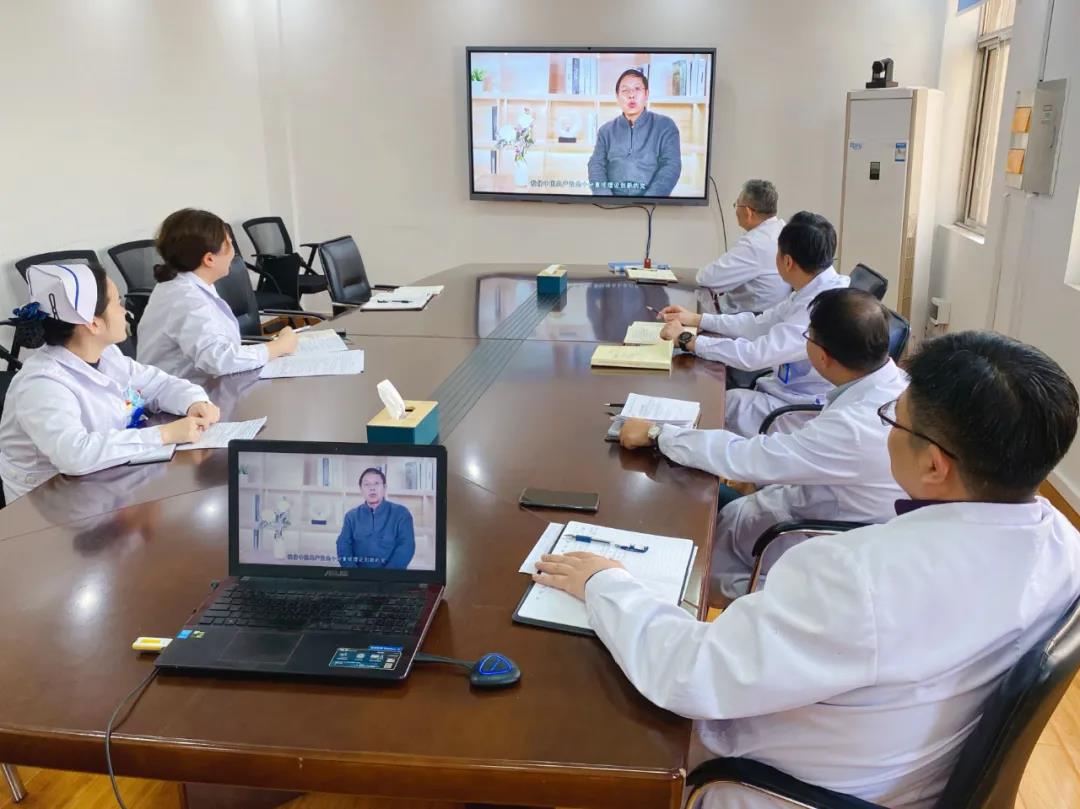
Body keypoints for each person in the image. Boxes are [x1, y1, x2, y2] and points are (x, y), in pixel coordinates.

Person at [535, 330, 1080, 808]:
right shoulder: (1065, 546)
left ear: (935, 466)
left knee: (569, 693)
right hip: (896, 768)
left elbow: (689, 675)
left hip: (787, 788)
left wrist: (605, 582)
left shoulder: (859, 576)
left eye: (894, 418)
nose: (887, 428)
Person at [620, 288, 907, 601]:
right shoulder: (894, 386)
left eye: (808, 336)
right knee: (691, 484)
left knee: (679, 556)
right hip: (803, 508)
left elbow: (747, 458)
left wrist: (657, 434)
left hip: (798, 541)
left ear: (822, 356)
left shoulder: (854, 427)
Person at [0, 263, 219, 503]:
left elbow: (158, 383)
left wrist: (194, 402)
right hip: (49, 504)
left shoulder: (106, 354)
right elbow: (75, 455)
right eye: (117, 303)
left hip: (105, 482)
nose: (125, 311)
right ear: (93, 323)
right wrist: (165, 434)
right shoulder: (41, 384)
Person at [658, 211, 849, 437]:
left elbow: (753, 356)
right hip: (784, 390)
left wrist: (687, 339)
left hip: (800, 410)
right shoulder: (816, 289)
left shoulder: (819, 309)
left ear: (787, 261)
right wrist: (699, 320)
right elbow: (759, 324)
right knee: (717, 398)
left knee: (714, 405)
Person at [137, 208, 299, 382]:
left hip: (200, 387)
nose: (234, 253)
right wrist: (278, 347)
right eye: (229, 244)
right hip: (180, 394)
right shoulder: (186, 298)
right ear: (209, 259)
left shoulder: (189, 285)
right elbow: (217, 360)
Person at [697, 180, 790, 314]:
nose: (736, 211)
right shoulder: (783, 229)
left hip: (744, 317)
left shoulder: (755, 244)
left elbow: (707, 279)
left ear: (747, 211)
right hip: (770, 313)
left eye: (737, 205)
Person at [588, 68, 682, 197]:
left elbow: (671, 166)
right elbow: (596, 165)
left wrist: (649, 200)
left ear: (646, 94)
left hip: (652, 203)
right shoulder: (606, 131)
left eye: (637, 89)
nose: (631, 95)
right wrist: (606, 198)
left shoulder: (665, 126)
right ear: (617, 97)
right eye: (625, 90)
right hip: (611, 202)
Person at [336, 468, 415, 569]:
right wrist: (354, 574)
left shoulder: (401, 513)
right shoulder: (351, 516)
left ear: (384, 487)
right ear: (361, 489)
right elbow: (343, 545)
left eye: (376, 483)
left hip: (391, 576)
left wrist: (386, 575)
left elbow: (406, 546)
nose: (372, 488)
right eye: (367, 484)